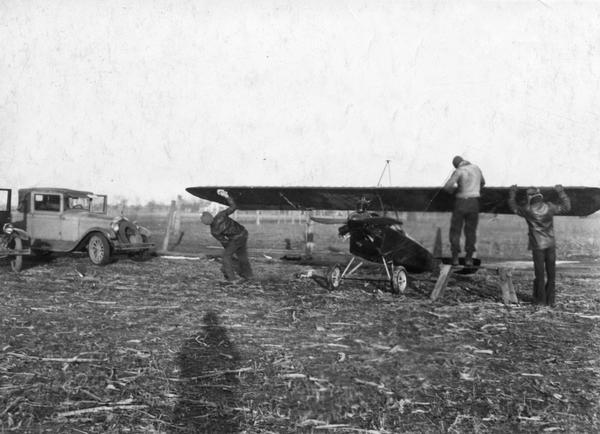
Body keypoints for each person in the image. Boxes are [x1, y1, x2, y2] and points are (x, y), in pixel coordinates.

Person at [508, 184, 570, 307]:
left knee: (540, 274)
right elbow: (567, 207)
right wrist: (561, 192)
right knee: (551, 274)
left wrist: (512, 193)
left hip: (537, 245)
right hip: (551, 243)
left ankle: (540, 301)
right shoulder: (550, 207)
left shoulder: (527, 210)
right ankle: (550, 301)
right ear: (540, 195)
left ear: (530, 197)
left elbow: (513, 207)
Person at [201, 189, 253, 281]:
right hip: (244, 233)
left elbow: (225, 242)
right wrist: (226, 196)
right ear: (212, 216)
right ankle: (248, 276)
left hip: (236, 238)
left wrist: (230, 251)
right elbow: (234, 206)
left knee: (226, 257)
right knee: (242, 257)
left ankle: (232, 279)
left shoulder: (214, 231)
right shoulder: (220, 215)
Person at [443, 156, 485, 266]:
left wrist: (456, 190)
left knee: (455, 231)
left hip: (461, 202)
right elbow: (483, 183)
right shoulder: (476, 168)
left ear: (456, 165)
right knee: (471, 232)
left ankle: (455, 258)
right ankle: (469, 258)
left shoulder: (458, 171)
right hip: (474, 203)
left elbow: (447, 187)